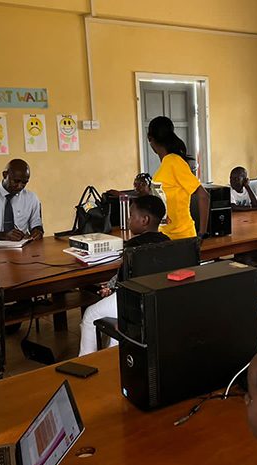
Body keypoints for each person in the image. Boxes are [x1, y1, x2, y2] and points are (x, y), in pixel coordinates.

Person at [78, 195, 170, 355]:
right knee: (118, 320)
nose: (128, 219)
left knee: (90, 314)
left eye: (131, 215)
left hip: (134, 302)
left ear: (144, 220)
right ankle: (115, 356)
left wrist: (110, 287)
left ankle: (86, 359)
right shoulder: (168, 241)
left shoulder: (133, 247)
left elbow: (123, 278)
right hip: (158, 301)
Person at [148, 116, 210, 239]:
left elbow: (204, 196)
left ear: (150, 139)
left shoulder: (174, 162)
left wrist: (202, 234)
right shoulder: (166, 164)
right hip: (165, 237)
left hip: (182, 237)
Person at [0, 159, 43, 243]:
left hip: (22, 246)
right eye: (16, 181)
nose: (20, 186)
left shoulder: (31, 197)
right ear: (5, 175)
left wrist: (37, 231)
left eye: (24, 182)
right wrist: (5, 235)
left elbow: (36, 224)